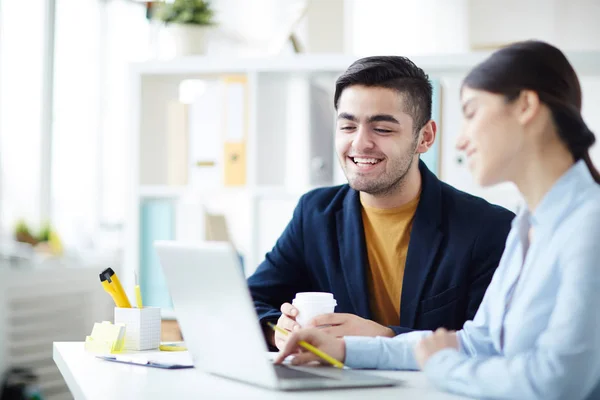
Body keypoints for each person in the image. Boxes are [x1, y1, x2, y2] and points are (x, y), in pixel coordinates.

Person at [274, 40, 600, 400]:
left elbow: (558, 381)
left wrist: (442, 364)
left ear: (526, 106)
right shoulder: (529, 225)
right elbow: (480, 341)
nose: (461, 140)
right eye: (348, 126)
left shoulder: (589, 225)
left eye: (472, 113)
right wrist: (346, 350)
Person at [247, 55, 515, 351]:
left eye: (383, 129)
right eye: (348, 127)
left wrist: (385, 338)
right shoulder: (315, 214)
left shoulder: (488, 228)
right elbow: (250, 300)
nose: (360, 143)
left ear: (425, 137)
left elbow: (492, 344)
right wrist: (280, 331)